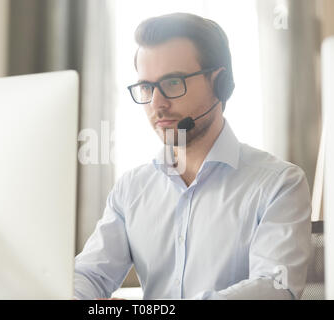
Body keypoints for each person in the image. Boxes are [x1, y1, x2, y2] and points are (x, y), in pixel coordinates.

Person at [74, 12, 311, 300]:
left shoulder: (279, 184)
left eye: (173, 83)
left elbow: (275, 288)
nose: (157, 104)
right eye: (146, 87)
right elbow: (89, 274)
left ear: (220, 83)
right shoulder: (131, 189)